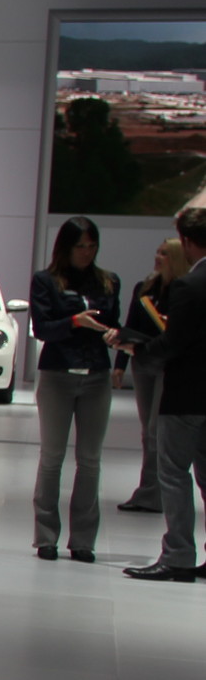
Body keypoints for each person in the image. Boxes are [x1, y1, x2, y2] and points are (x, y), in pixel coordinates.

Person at [28, 214, 121, 562]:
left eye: (92, 245)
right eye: (80, 246)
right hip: (57, 373)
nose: (86, 252)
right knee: (52, 458)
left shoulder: (109, 281)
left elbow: (114, 322)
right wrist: (74, 321)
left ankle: (83, 540)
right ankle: (45, 537)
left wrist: (115, 335)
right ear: (66, 247)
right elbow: (42, 327)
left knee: (90, 460)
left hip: (96, 373)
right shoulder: (46, 280)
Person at [127, 206, 206, 582]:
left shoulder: (188, 286)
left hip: (187, 394)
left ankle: (178, 556)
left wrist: (140, 350)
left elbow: (175, 342)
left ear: (188, 242)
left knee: (174, 474)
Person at [118, 236, 184, 514]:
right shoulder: (144, 288)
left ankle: (154, 493)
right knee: (148, 432)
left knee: (157, 431)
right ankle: (148, 489)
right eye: (157, 252)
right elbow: (131, 325)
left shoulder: (183, 290)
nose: (158, 257)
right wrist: (120, 363)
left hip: (168, 365)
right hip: (142, 362)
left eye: (165, 254)